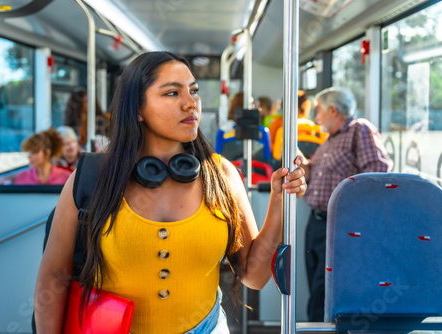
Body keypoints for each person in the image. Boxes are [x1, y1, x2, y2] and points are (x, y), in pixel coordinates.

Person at [34, 51, 307, 333]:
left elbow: (254, 276)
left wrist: (279, 200)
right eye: (172, 93)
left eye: (194, 90)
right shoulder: (94, 176)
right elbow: (53, 277)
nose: (191, 103)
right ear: (137, 108)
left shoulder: (221, 175)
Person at [301, 87, 392, 321]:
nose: (316, 117)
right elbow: (322, 175)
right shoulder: (330, 140)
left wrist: (350, 207)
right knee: (314, 282)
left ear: (333, 110)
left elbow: (377, 170)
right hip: (317, 222)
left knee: (326, 290)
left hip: (341, 224)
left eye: (319, 111)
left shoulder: (358, 130)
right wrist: (306, 168)